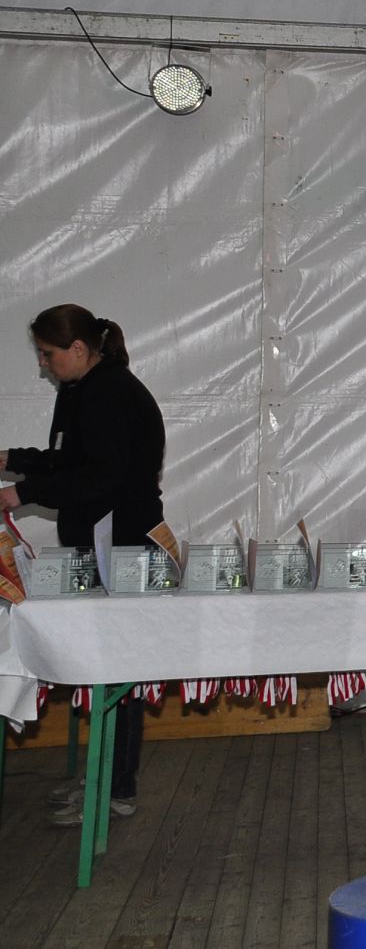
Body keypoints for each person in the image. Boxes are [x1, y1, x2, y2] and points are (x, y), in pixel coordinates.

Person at [2, 304, 165, 823]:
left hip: (124, 549)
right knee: (101, 667)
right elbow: (65, 460)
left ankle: (115, 788)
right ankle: (103, 776)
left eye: (47, 354)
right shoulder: (80, 391)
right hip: (99, 547)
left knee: (118, 670)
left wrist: (21, 493)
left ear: (78, 349)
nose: (43, 364)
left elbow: (102, 477)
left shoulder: (112, 395)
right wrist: (11, 460)